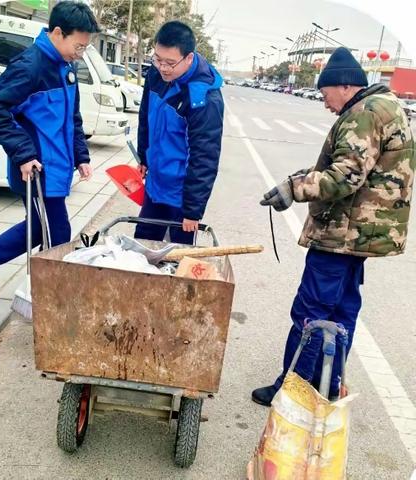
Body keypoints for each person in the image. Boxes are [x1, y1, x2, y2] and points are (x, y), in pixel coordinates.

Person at [252, 47, 415, 406]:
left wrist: (295, 188)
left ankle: (292, 390)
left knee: (311, 311)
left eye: (325, 95)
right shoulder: (386, 106)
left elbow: (346, 176)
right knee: (342, 311)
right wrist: (302, 176)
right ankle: (328, 383)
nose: (325, 104)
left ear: (344, 86)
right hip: (365, 233)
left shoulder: (364, 113)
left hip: (343, 233)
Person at [0, 1, 99, 295]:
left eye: (85, 47)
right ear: (58, 33)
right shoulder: (30, 66)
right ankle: (53, 296)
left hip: (56, 168)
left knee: (41, 228)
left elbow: (72, 116)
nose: (80, 53)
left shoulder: (66, 67)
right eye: (79, 45)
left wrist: (81, 155)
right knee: (57, 234)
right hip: (36, 170)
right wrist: (24, 153)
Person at [134, 20, 224, 244]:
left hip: (181, 194)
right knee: (141, 247)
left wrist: (193, 210)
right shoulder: (157, 74)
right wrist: (143, 156)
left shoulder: (203, 97)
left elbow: (205, 156)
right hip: (155, 182)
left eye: (170, 63)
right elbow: (146, 115)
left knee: (177, 259)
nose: (163, 67)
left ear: (189, 58)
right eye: (158, 58)